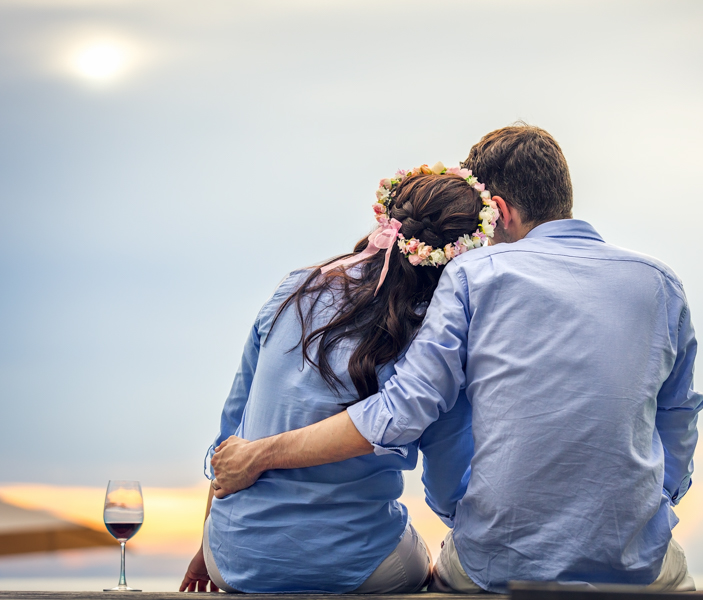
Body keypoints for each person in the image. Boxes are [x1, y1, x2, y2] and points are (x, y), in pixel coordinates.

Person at [210, 124, 703, 593]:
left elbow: (412, 415)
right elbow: (677, 418)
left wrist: (260, 455)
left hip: (494, 561)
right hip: (635, 559)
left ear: (500, 210)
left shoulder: (472, 277)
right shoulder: (661, 284)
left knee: (443, 564)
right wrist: (655, 506)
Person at [179, 164, 498, 593]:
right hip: (353, 560)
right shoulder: (435, 342)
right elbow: (446, 485)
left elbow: (231, 433)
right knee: (429, 568)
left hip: (233, 556)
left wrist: (210, 545)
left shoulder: (295, 289)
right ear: (463, 253)